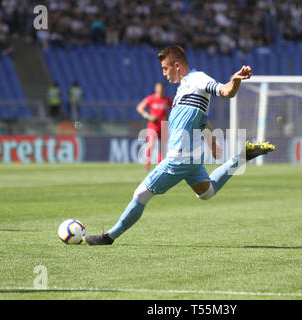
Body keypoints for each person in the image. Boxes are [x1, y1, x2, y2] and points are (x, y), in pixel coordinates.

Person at [84, 45, 275, 246]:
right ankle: (242, 157)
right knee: (207, 192)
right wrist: (211, 142)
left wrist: (234, 81)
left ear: (177, 65)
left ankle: (109, 237)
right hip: (192, 156)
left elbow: (227, 91)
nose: (164, 74)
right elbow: (204, 121)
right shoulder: (183, 88)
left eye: (165, 68)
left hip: (179, 157)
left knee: (141, 194)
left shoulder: (197, 79)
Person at [136, 82, 173, 170]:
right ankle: (147, 163)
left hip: (163, 126)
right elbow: (140, 108)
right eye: (158, 88)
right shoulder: (151, 99)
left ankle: (159, 165)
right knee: (151, 143)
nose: (160, 90)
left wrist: (170, 117)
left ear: (163, 89)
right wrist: (148, 116)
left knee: (162, 146)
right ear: (156, 89)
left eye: (161, 88)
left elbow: (175, 108)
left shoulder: (167, 100)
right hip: (153, 125)